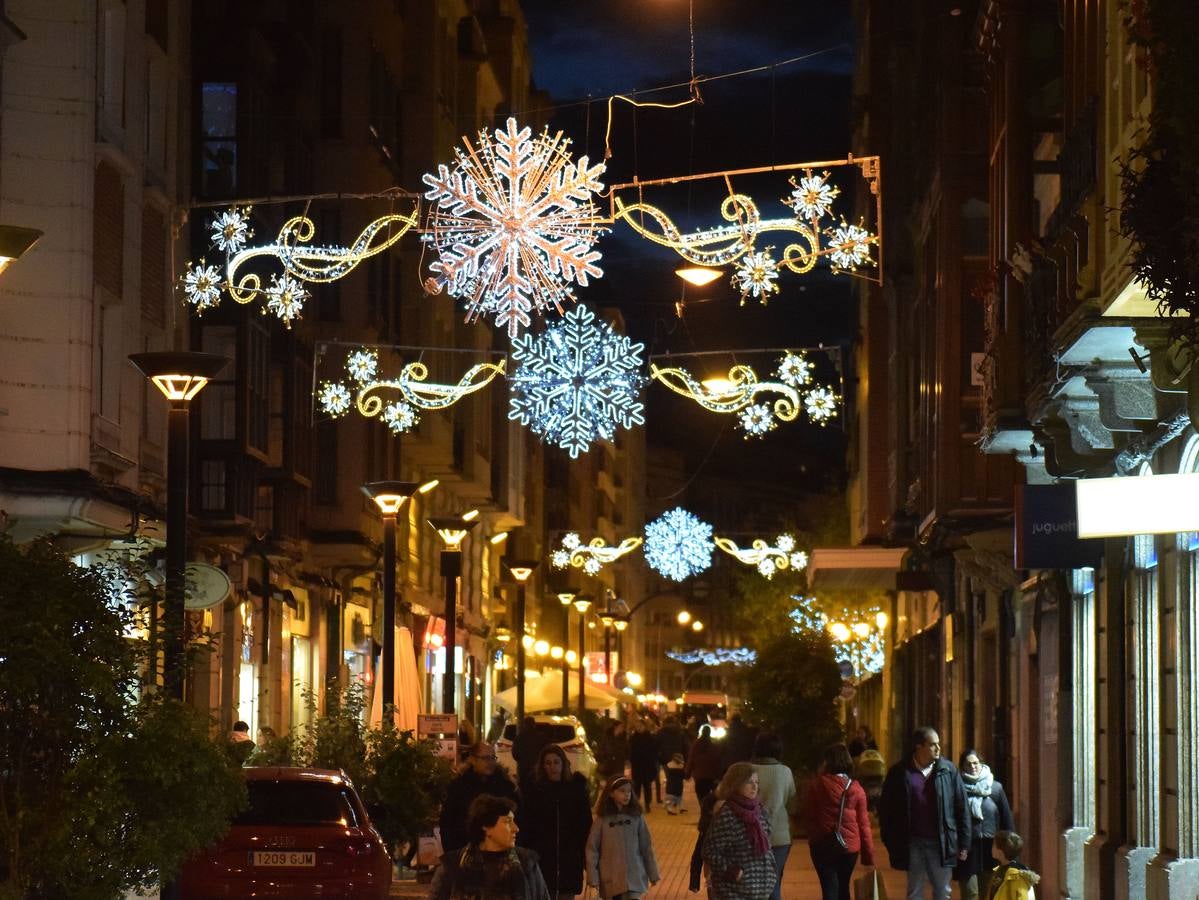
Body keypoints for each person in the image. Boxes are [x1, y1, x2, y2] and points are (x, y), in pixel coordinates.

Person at [878, 727, 969, 900]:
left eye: (938, 745)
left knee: (943, 891)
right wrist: (889, 839)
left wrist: (963, 842)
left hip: (940, 842)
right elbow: (887, 809)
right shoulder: (899, 772)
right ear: (919, 747)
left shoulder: (948, 771)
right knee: (914, 891)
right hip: (913, 843)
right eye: (933, 745)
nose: (938, 749)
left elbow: (961, 807)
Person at [430, 794, 551, 900]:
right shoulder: (453, 866)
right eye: (508, 822)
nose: (516, 828)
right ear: (486, 827)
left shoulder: (526, 863)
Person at [518, 744, 592, 900]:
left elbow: (585, 826)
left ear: (563, 763)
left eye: (556, 762)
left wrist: (586, 857)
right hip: (542, 859)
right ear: (542, 766)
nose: (553, 767)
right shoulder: (534, 792)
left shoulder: (575, 791)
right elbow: (525, 826)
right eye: (548, 763)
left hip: (569, 859)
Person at [806, 743, 875, 900]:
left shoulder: (817, 785)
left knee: (829, 886)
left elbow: (809, 814)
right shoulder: (857, 789)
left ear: (827, 762)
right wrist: (868, 856)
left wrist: (815, 835)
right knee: (843, 886)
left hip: (822, 844)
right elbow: (864, 824)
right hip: (849, 848)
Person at [702, 762, 777, 900]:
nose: (755, 786)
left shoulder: (760, 811)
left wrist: (771, 871)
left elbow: (768, 845)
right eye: (749, 782)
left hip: (761, 888)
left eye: (757, 782)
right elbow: (709, 851)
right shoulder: (727, 814)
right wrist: (733, 872)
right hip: (735, 892)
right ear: (735, 784)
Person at [585, 774, 660, 899]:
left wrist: (653, 873)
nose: (627, 795)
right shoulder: (602, 820)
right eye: (622, 791)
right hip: (611, 877)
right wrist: (593, 877)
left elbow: (646, 846)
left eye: (629, 791)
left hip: (634, 875)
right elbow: (592, 849)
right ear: (611, 794)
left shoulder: (636, 817)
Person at [439, 741, 521, 854]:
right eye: (485, 758)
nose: (490, 762)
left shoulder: (504, 786)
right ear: (473, 759)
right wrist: (452, 852)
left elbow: (517, 816)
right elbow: (447, 822)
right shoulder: (459, 787)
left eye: (493, 757)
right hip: (465, 850)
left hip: (500, 852)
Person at [955, 750, 1015, 900]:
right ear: (962, 767)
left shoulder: (995, 788)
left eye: (976, 763)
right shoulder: (957, 789)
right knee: (970, 894)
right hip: (968, 851)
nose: (973, 767)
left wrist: (1009, 849)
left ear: (981, 764)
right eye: (968, 764)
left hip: (991, 850)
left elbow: (1006, 820)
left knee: (989, 894)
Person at [750, 732, 797, 900]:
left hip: (751, 835)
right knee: (774, 882)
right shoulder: (785, 772)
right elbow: (792, 805)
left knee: (753, 883)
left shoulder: (747, 770)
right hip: (780, 836)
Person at [982, 831, 1039, 900]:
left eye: (994, 845)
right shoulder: (998, 871)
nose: (991, 847)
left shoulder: (1016, 877)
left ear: (1000, 851)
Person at [685, 723, 724, 808]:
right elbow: (718, 760)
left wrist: (687, 773)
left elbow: (691, 759)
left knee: (701, 796)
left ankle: (704, 810)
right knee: (713, 796)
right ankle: (709, 811)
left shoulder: (696, 745)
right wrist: (719, 775)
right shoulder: (714, 745)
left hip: (699, 776)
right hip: (712, 776)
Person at [629, 719, 660, 812]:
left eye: (640, 726)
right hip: (637, 766)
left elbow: (654, 751)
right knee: (636, 786)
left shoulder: (650, 737)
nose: (638, 728)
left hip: (647, 766)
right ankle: (636, 804)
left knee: (647, 786)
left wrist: (653, 762)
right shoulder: (633, 738)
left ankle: (647, 804)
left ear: (644, 726)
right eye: (637, 726)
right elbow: (630, 751)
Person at [513, 716, 549, 786]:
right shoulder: (541, 737)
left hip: (523, 768)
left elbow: (515, 754)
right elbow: (546, 751)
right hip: (537, 768)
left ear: (524, 725)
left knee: (524, 787)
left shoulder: (519, 737)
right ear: (534, 725)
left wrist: (522, 760)